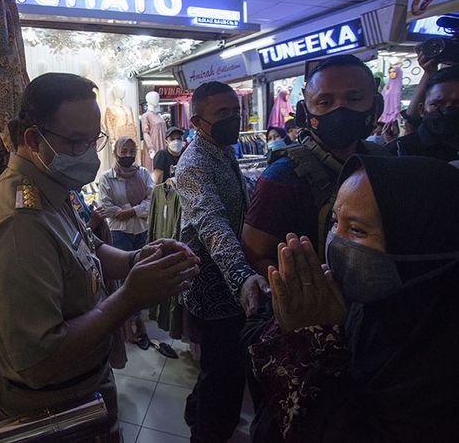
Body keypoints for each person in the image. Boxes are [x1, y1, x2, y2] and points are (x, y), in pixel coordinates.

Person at [0, 73, 200, 437]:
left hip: (85, 388)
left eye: (94, 140)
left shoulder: (54, 190)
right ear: (33, 140)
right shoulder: (19, 224)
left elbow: (85, 249)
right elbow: (39, 359)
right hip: (55, 408)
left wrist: (135, 259)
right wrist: (129, 297)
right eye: (76, 142)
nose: (90, 155)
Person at [248, 155, 459, 442]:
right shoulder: (360, 302)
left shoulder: (439, 368)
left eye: (357, 229)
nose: (337, 240)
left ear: (419, 239)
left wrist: (314, 342)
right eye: (336, 222)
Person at [175, 81, 270, 443]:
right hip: (214, 287)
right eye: (222, 114)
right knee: (224, 375)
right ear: (198, 121)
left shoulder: (223, 150)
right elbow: (212, 222)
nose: (233, 119)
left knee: (219, 367)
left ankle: (196, 410)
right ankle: (207, 432)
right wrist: (242, 276)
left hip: (236, 278)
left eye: (236, 111)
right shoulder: (193, 165)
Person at [243, 54, 389, 274]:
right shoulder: (282, 177)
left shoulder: (384, 163)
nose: (340, 110)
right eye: (325, 102)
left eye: (354, 99)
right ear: (304, 112)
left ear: (376, 106)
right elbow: (254, 256)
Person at [99, 136, 155, 349]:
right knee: (126, 280)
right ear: (115, 153)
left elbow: (152, 200)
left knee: (142, 275)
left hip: (141, 230)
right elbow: (106, 206)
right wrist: (133, 210)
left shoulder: (142, 174)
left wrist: (131, 210)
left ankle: (137, 319)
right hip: (119, 233)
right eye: (124, 151)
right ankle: (132, 322)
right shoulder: (107, 178)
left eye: (132, 151)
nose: (128, 155)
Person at [387, 65, 459, 162]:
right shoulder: (396, 153)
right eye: (437, 104)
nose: (448, 111)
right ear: (421, 110)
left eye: (457, 104)